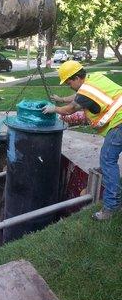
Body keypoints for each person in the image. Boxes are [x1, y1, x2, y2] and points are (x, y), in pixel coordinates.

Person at [42, 60, 122, 221]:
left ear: (77, 77)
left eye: (69, 82)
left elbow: (72, 108)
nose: (68, 85)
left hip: (119, 123)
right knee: (107, 161)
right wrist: (62, 99)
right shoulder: (94, 79)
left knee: (107, 160)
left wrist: (55, 108)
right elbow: (80, 95)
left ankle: (111, 207)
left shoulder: (87, 91)